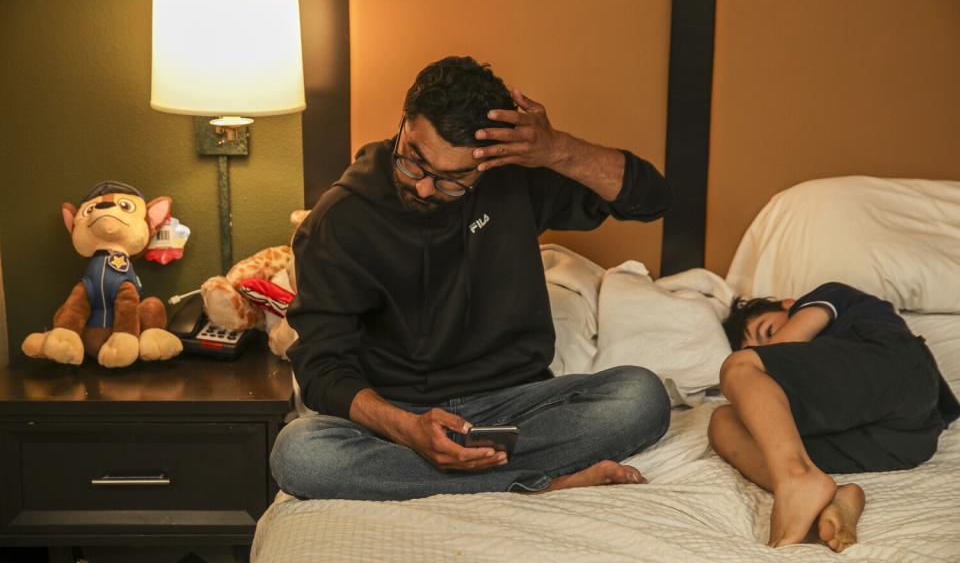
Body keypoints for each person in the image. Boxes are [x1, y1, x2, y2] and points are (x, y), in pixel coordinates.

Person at [271, 56, 674, 501]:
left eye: (453, 179)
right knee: (299, 453)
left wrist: (558, 149)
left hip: (516, 404)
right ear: (404, 122)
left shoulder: (513, 177)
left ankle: (457, 478)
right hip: (400, 412)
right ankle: (539, 483)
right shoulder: (339, 220)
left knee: (642, 397)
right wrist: (409, 432)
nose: (424, 187)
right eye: (414, 160)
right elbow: (322, 368)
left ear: (490, 162)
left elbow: (651, 199)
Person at [712, 281, 960, 552]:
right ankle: (830, 499)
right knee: (724, 421)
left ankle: (796, 477)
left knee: (738, 367)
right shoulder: (814, 390)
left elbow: (777, 352)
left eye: (769, 331)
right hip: (907, 440)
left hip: (892, 369)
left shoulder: (832, 295)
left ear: (789, 304)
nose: (769, 346)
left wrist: (748, 367)